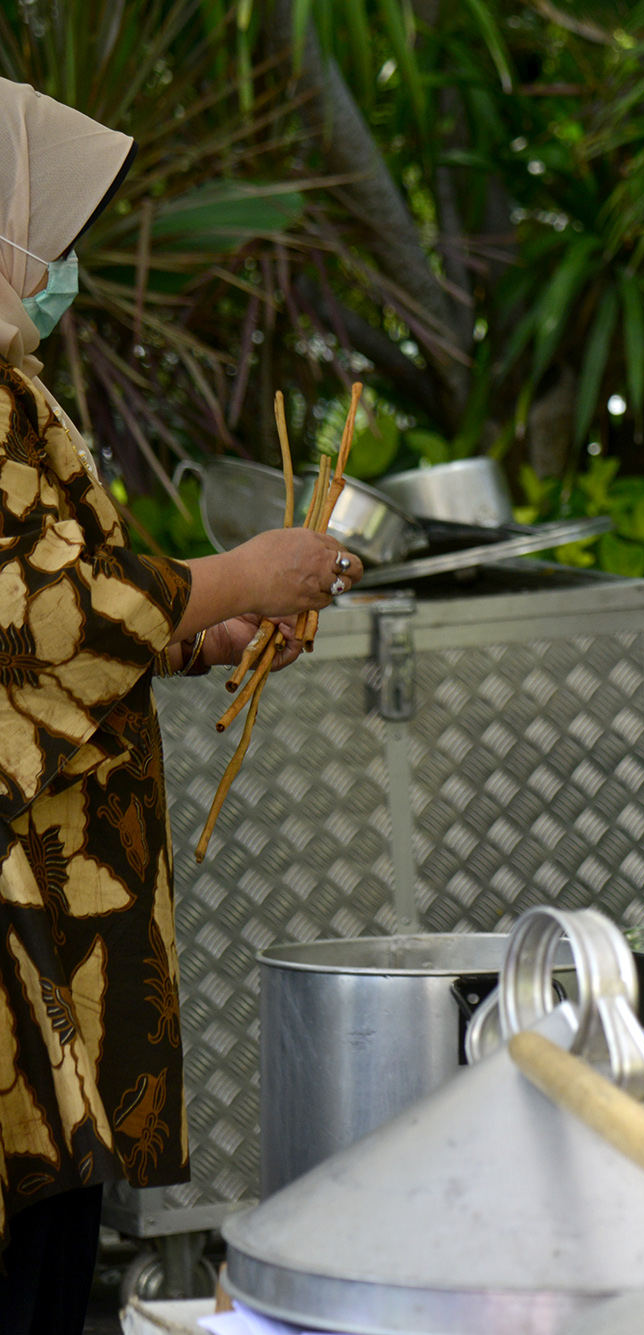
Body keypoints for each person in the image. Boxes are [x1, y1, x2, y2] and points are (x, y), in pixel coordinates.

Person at [0, 81, 360, 1333]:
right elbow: (24, 612)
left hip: (57, 891)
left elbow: (68, 605)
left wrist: (195, 637)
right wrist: (229, 575)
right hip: (13, 900)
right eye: (44, 227)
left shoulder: (15, 382)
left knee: (55, 1208)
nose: (62, 263)